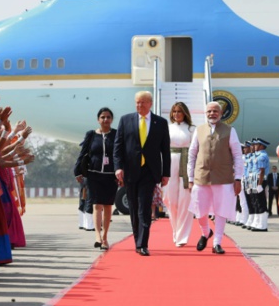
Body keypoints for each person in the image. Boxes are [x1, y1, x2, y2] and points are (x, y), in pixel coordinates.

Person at [114, 91, 170, 256]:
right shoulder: (126, 120)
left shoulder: (160, 122)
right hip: (130, 171)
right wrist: (118, 167)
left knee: (144, 207)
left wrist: (165, 173)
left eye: (143, 102)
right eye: (137, 102)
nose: (139, 105)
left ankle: (143, 243)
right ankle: (137, 241)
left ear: (150, 103)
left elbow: (165, 150)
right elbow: (118, 148)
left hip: (150, 171)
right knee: (133, 208)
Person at [188, 101, 243, 254]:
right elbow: (192, 154)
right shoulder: (198, 130)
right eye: (209, 111)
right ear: (205, 114)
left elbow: (237, 155)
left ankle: (217, 242)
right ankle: (205, 232)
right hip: (201, 176)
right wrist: (190, 178)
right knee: (199, 209)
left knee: (221, 210)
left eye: (215, 111)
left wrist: (238, 178)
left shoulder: (230, 131)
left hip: (223, 177)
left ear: (220, 113)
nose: (212, 114)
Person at [75, 107, 118, 250]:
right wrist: (77, 171)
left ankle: (105, 237)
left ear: (112, 119)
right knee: (96, 205)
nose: (105, 120)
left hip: (111, 176)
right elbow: (83, 153)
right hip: (93, 175)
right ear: (98, 119)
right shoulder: (91, 135)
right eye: (102, 117)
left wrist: (121, 172)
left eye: (108, 117)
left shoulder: (117, 135)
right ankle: (97, 236)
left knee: (107, 206)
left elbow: (120, 155)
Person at [162, 102, 195, 247]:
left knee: (184, 201)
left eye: (179, 112)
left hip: (186, 165)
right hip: (170, 164)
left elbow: (195, 150)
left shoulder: (192, 129)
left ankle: (182, 236)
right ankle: (175, 231)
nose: (176, 114)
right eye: (174, 111)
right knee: (170, 201)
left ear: (185, 113)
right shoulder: (167, 128)